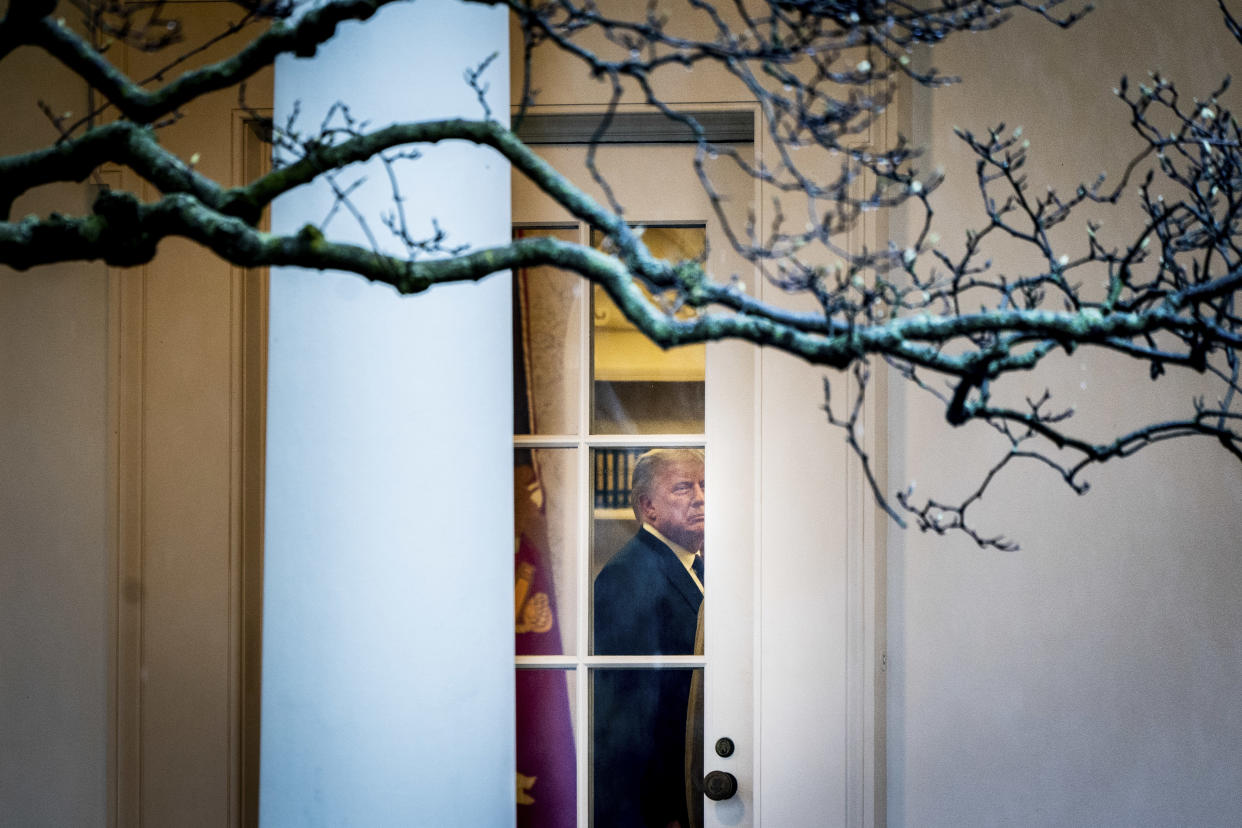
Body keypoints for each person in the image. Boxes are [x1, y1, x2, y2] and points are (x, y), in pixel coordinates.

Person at [593, 449, 705, 828]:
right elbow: (629, 709)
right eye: (682, 488)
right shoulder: (628, 574)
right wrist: (661, 809)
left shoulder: (698, 564)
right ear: (648, 507)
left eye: (705, 485)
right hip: (660, 802)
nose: (701, 498)